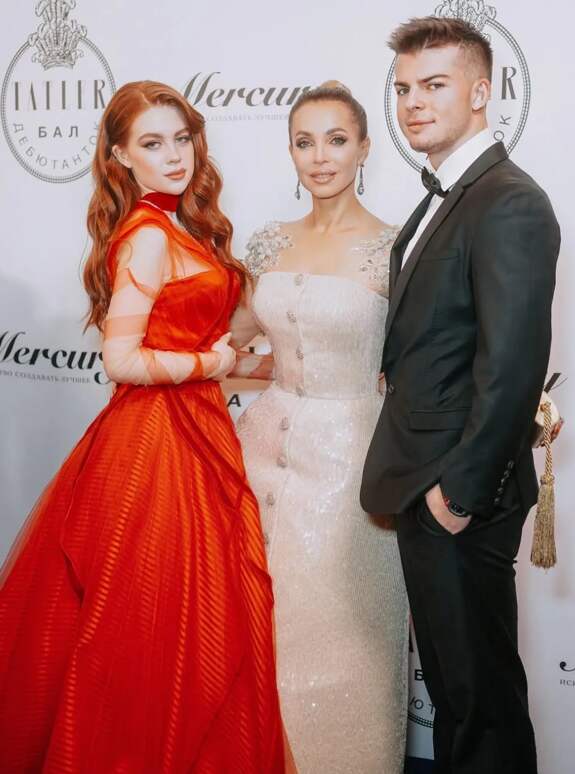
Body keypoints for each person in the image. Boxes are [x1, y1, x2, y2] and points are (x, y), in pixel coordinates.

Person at [0, 81, 284, 774]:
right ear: (121, 157)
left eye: (181, 139)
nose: (175, 155)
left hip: (195, 429)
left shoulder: (181, 226)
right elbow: (121, 360)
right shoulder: (148, 237)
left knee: (186, 620)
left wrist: (273, 364)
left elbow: (206, 345)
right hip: (154, 448)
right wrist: (214, 362)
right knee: (153, 622)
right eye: (153, 144)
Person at [362, 17, 561, 774]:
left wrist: (459, 496)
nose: (413, 103)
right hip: (426, 480)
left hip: (460, 493)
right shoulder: (444, 197)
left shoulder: (508, 201)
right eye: (403, 88)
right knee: (456, 697)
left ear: (481, 93)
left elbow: (512, 365)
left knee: (482, 706)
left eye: (434, 85)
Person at [229, 82, 409, 773]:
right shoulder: (268, 242)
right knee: (257, 627)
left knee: (342, 632)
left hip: (353, 469)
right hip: (258, 460)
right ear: (290, 152)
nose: (321, 156)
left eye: (336, 140)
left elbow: (418, 364)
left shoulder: (395, 248)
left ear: (365, 148)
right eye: (305, 142)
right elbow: (235, 345)